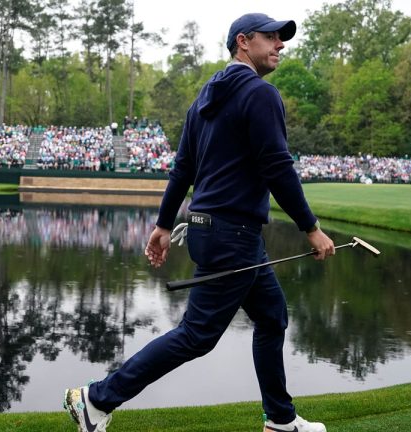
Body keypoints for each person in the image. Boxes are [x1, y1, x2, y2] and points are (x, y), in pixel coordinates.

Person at [64, 13, 336, 432]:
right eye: (271, 38)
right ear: (243, 42)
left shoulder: (204, 99)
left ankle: (280, 419)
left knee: (272, 316)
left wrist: (161, 225)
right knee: (197, 335)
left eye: (282, 39)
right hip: (233, 235)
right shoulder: (261, 95)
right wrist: (310, 227)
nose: (280, 45)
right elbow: (278, 167)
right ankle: (96, 399)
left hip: (213, 230)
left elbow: (181, 169)